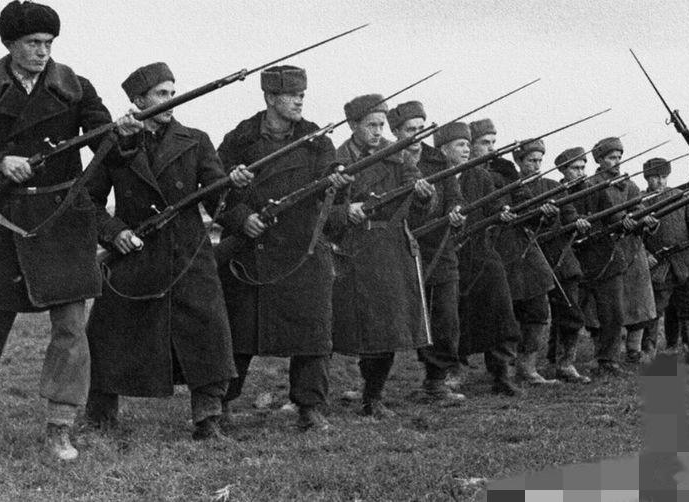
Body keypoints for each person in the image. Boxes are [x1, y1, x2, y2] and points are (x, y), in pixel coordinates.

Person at [0, 0, 126, 462]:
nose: (42, 51)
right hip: (3, 224)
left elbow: (109, 147)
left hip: (63, 223)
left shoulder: (77, 89)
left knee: (71, 332)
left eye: (49, 43)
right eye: (33, 42)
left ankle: (59, 428)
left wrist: (125, 133)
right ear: (10, 43)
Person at [83, 62, 239, 440]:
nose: (171, 100)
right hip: (133, 255)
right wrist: (114, 233)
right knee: (107, 336)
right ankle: (100, 417)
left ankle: (208, 418)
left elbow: (219, 199)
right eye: (161, 94)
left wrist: (233, 186)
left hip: (189, 253)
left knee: (208, 335)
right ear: (139, 101)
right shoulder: (114, 144)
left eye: (173, 92)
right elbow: (88, 201)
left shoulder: (196, 140)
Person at [215, 65, 349, 431]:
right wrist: (242, 218)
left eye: (302, 95)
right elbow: (215, 190)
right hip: (251, 251)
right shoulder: (239, 139)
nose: (299, 101)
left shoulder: (317, 140)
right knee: (239, 334)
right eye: (292, 96)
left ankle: (310, 407)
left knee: (313, 334)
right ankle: (222, 404)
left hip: (303, 248)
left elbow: (331, 194)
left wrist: (338, 182)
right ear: (270, 98)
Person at [328, 94, 446, 415]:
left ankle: (373, 396)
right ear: (353, 125)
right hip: (351, 251)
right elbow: (320, 210)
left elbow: (419, 210)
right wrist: (344, 211)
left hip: (391, 250)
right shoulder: (336, 160)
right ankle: (311, 398)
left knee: (387, 329)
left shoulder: (398, 156)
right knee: (340, 329)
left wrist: (424, 197)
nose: (379, 132)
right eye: (371, 125)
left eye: (382, 125)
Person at [469, 119, 559, 386]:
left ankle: (527, 368)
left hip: (520, 247)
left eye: (493, 142)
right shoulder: (464, 174)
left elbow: (523, 201)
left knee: (537, 308)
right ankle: (494, 369)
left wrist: (541, 213)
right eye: (484, 142)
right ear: (470, 145)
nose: (491, 148)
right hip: (485, 248)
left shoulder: (505, 169)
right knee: (495, 312)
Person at [388, 101, 467, 401]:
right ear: (396, 132)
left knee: (445, 317)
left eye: (421, 128)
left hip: (438, 247)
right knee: (387, 318)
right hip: (397, 248)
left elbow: (454, 196)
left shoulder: (438, 160)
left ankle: (436, 381)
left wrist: (456, 211)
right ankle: (373, 386)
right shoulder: (387, 159)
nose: (417, 134)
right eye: (410, 129)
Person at [437, 122, 522, 396]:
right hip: (446, 255)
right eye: (460, 145)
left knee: (501, 310)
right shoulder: (435, 177)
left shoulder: (481, 176)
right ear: (444, 149)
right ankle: (453, 371)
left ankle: (502, 373)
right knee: (452, 318)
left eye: (467, 144)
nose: (465, 150)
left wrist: (503, 212)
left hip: (481, 253)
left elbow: (494, 206)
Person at [574, 137, 658, 374]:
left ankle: (629, 352)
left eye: (619, 157)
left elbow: (639, 209)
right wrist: (620, 221)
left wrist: (643, 220)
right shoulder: (590, 185)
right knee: (602, 309)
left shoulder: (629, 185)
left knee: (634, 304)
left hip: (631, 250)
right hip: (602, 252)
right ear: (600, 160)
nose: (617, 161)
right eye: (612, 157)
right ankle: (602, 356)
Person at [515, 142, 592, 384]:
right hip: (528, 258)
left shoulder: (553, 187)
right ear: (519, 161)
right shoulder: (513, 188)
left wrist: (577, 222)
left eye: (539, 160)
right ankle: (525, 367)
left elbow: (569, 214)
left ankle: (565, 364)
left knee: (571, 311)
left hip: (560, 257)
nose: (537, 166)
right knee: (533, 313)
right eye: (531, 161)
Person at [640, 157, 689, 367]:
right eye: (655, 177)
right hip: (659, 265)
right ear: (647, 178)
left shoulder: (680, 196)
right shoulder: (639, 202)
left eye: (664, 177)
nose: (660, 181)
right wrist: (646, 255)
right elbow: (634, 236)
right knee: (653, 311)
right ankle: (648, 352)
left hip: (688, 262)